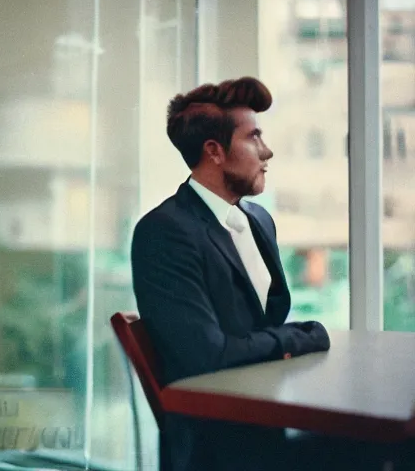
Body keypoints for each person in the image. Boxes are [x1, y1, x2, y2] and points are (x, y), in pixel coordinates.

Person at [130, 77, 399, 471]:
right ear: (214, 152)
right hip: (220, 449)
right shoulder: (164, 232)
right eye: (253, 137)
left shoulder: (258, 220)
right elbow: (208, 354)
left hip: (269, 421)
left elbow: (261, 326)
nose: (266, 151)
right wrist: (296, 337)